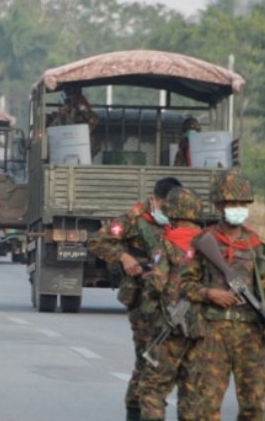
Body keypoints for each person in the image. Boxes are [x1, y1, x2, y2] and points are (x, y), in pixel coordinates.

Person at [181, 167, 265, 421]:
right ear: (218, 206)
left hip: (250, 335)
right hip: (211, 334)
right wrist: (209, 293)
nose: (237, 207)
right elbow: (182, 285)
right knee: (205, 406)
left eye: (241, 203)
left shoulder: (257, 244)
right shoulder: (202, 242)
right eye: (231, 203)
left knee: (254, 405)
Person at [87, 177, 181, 421]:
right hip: (141, 296)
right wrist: (124, 257)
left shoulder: (178, 222)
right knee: (146, 355)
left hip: (169, 297)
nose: (168, 209)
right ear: (156, 199)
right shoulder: (134, 220)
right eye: (165, 204)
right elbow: (97, 240)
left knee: (163, 357)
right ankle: (135, 409)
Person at [138, 187, 207, 421]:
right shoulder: (211, 241)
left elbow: (157, 283)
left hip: (172, 325)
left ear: (172, 212)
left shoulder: (167, 242)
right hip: (204, 326)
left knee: (152, 388)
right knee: (192, 391)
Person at [50, 87, 101, 157]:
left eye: (72, 95)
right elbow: (54, 128)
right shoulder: (64, 110)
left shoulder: (82, 107)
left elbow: (94, 119)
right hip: (66, 142)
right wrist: (60, 115)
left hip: (82, 141)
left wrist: (83, 132)